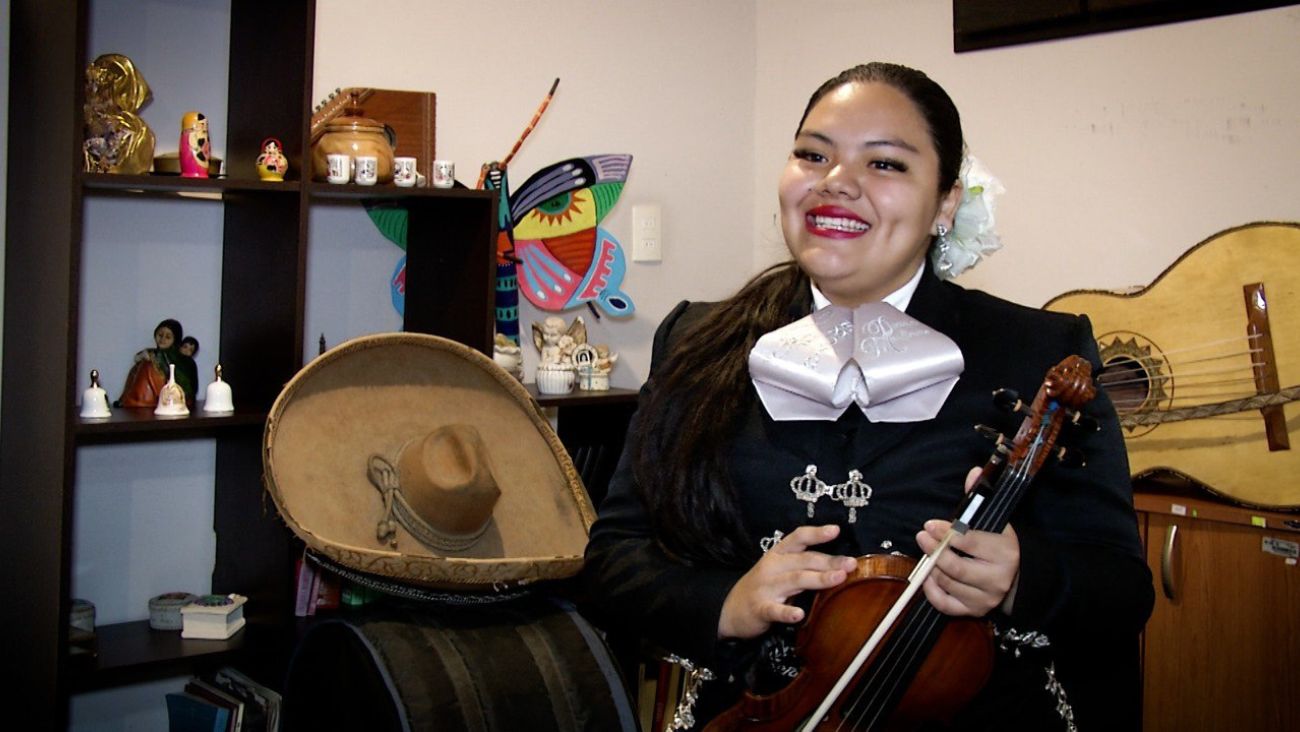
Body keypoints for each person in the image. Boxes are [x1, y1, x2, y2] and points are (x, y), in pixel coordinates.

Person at [580, 62, 1153, 731]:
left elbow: (1121, 589)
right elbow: (614, 560)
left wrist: (1025, 578)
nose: (836, 182)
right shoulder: (696, 339)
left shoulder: (1039, 351)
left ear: (945, 204)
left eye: (885, 165)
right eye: (812, 154)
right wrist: (725, 602)